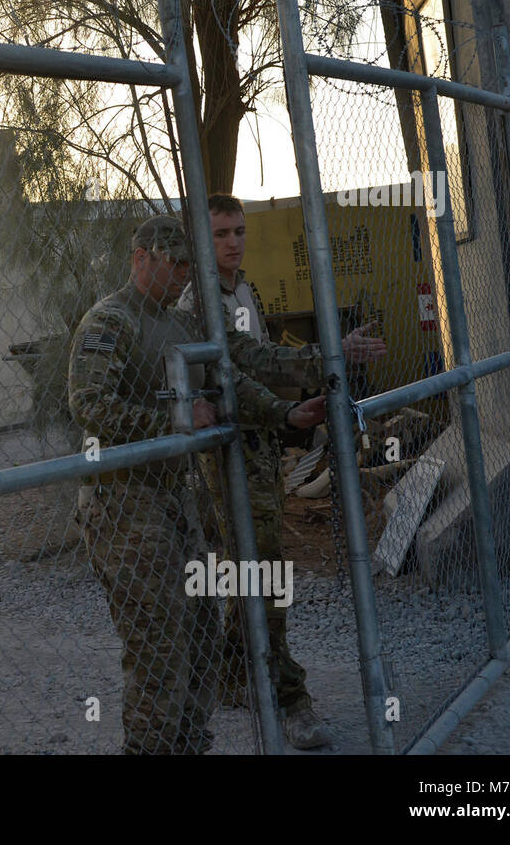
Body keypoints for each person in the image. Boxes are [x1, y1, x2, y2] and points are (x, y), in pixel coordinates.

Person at [67, 214, 327, 754]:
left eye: (190, 265)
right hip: (122, 505)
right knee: (158, 642)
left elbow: (229, 383)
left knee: (202, 631)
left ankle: (187, 740)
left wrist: (286, 415)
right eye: (175, 264)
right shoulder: (110, 322)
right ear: (141, 258)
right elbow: (89, 405)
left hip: (170, 499)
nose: (185, 275)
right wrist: (176, 422)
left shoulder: (180, 326)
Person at [175, 193, 387, 749]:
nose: (234, 242)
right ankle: (291, 698)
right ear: (203, 238)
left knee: (253, 568)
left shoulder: (245, 289)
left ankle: (233, 674)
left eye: (239, 231)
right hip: (232, 451)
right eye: (222, 233)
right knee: (265, 571)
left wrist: (289, 412)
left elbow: (259, 362)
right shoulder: (201, 301)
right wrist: (327, 358)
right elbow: (242, 367)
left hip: (260, 443)